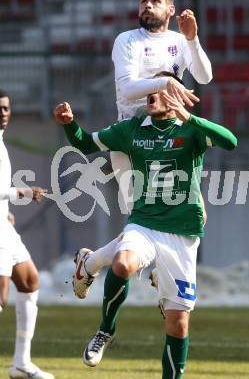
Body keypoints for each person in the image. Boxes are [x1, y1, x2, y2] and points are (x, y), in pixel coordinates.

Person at [53, 72, 237, 377]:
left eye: (160, 89)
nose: (151, 94)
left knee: (178, 324)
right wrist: (69, 123)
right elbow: (85, 143)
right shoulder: (132, 129)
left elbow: (230, 142)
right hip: (144, 224)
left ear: (175, 95)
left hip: (183, 235)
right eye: (150, 89)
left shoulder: (190, 131)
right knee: (123, 263)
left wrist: (190, 118)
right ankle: (105, 330)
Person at [71, 0, 212, 300]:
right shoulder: (127, 40)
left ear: (171, 9)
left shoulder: (178, 41)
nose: (148, 5)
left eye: (155, 0)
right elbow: (128, 87)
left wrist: (192, 40)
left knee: (194, 215)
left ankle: (95, 262)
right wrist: (166, 82)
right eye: (143, 0)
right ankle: (100, 264)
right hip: (133, 140)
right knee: (145, 218)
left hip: (172, 138)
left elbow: (204, 75)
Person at [0, 89, 54, 379]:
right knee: (1, 296)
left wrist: (6, 208)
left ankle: (21, 363)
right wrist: (19, 192)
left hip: (3, 226)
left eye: (6, 108)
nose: (3, 113)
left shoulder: (1, 142)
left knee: (30, 280)